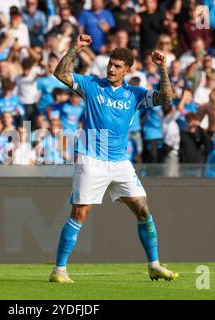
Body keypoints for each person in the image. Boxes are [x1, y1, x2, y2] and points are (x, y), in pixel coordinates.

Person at [49, 33, 179, 283]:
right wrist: (74, 49)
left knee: (143, 210)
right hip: (91, 159)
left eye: (117, 66)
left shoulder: (135, 94)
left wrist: (162, 69)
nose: (111, 68)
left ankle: (154, 265)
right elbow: (61, 74)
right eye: (110, 63)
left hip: (120, 162)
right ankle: (59, 270)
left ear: (127, 70)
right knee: (79, 213)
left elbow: (166, 98)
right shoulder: (92, 85)